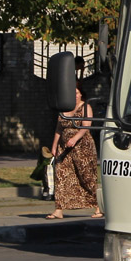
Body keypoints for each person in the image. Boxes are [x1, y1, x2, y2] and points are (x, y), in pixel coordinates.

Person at [47, 79, 101, 219]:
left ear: (81, 94)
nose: (75, 95)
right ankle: (58, 209)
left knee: (86, 175)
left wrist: (75, 138)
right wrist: (54, 146)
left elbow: (86, 126)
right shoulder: (64, 108)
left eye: (77, 93)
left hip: (82, 147)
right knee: (61, 176)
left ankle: (97, 207)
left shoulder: (85, 107)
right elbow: (59, 128)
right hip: (64, 148)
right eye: (72, 93)